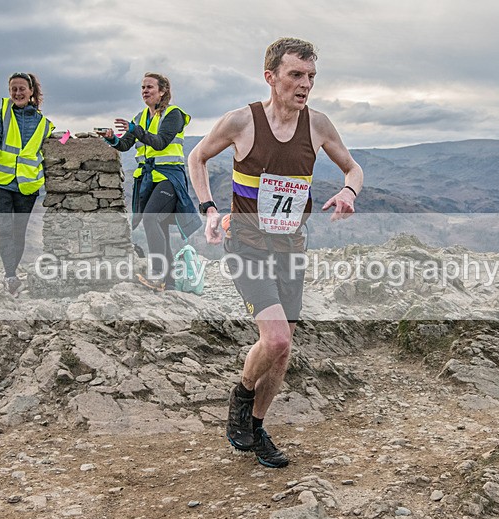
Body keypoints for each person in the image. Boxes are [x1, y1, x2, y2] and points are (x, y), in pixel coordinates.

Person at [188, 38, 364, 468]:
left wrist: (347, 191)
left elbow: (353, 167)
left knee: (281, 350)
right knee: (278, 337)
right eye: (296, 76)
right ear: (271, 77)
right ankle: (242, 397)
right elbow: (196, 157)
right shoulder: (241, 121)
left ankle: (257, 426)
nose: (305, 85)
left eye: (311, 78)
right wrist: (209, 208)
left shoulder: (318, 125)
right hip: (247, 245)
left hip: (292, 249)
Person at [99, 72, 201, 291]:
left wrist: (136, 130)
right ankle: (170, 281)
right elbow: (125, 145)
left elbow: (160, 142)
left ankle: (157, 273)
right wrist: (111, 138)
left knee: (151, 218)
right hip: (148, 179)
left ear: (163, 91)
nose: (145, 91)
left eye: (150, 87)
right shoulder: (140, 117)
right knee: (159, 225)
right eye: (143, 88)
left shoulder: (173, 115)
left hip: (169, 177)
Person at [0, 72, 54, 295]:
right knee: (5, 229)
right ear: (9, 92)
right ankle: (10, 275)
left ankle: (12, 272)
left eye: (22, 89)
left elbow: (52, 147)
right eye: (13, 89)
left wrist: (70, 139)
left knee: (19, 232)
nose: (17, 93)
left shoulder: (44, 123)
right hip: (0, 182)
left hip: (27, 186)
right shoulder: (1, 115)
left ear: (31, 91)